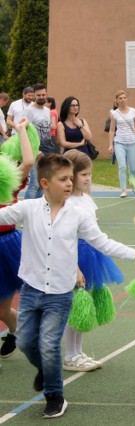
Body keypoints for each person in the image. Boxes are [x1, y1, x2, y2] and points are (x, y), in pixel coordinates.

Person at [0, 154, 135, 418]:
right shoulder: (27, 208)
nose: (69, 183)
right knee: (27, 342)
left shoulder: (78, 214)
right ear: (45, 183)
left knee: (49, 344)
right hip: (31, 291)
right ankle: (46, 370)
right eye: (63, 179)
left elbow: (102, 241)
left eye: (71, 178)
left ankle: (55, 395)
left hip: (60, 295)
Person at [61, 150, 123, 372]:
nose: (88, 178)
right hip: (73, 255)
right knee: (75, 304)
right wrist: (75, 267)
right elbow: (65, 238)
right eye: (83, 174)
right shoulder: (66, 202)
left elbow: (94, 232)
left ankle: (78, 352)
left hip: (90, 253)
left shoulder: (86, 198)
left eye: (89, 174)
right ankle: (70, 354)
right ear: (71, 174)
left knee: (83, 304)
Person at [0, 118, 34, 361]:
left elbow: (30, 161)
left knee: (2, 308)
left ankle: (17, 332)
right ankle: (17, 331)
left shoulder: (8, 182)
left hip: (6, 247)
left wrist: (21, 130)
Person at [108, 90, 135, 198]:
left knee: (133, 167)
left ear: (126, 99)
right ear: (117, 101)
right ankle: (123, 189)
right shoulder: (114, 114)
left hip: (132, 142)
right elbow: (111, 130)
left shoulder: (133, 111)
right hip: (119, 142)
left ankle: (134, 185)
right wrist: (111, 145)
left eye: (124, 97)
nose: (123, 100)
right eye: (120, 98)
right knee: (122, 166)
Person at [24, 83, 57, 200]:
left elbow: (48, 130)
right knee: (34, 183)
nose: (41, 97)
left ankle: (38, 210)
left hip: (47, 149)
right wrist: (35, 149)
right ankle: (26, 211)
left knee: (43, 184)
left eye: (43, 94)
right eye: (38, 95)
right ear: (34, 96)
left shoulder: (47, 111)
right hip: (34, 150)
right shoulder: (29, 111)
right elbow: (25, 131)